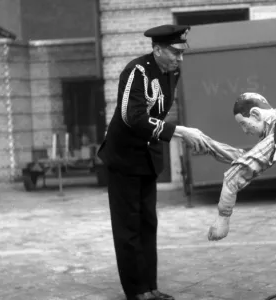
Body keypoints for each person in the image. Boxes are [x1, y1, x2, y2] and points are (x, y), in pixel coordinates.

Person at [97, 24, 204, 300]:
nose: (180, 59)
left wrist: (173, 132)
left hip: (147, 158)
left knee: (148, 224)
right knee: (128, 227)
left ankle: (150, 287)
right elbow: (132, 116)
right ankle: (137, 291)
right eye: (176, 53)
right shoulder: (137, 72)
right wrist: (180, 132)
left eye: (182, 53)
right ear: (157, 49)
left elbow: (157, 112)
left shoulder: (172, 71)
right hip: (124, 159)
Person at [180, 92, 276, 241]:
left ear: (255, 114)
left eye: (243, 124)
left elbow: (234, 176)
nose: (245, 131)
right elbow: (246, 159)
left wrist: (223, 219)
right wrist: (209, 145)